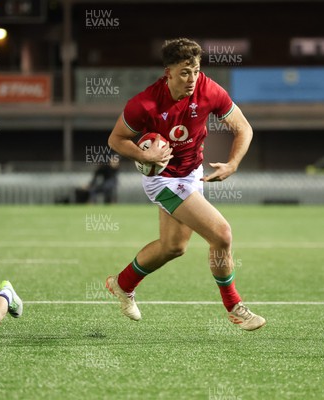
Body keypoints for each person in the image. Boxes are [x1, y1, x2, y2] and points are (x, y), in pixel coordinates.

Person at [105, 38, 265, 331]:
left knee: (173, 247)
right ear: (168, 72)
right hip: (163, 179)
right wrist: (144, 154)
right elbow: (115, 140)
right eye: (184, 72)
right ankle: (234, 307)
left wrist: (232, 163)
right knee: (222, 234)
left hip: (192, 174)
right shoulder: (145, 103)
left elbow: (243, 128)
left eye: (195, 70)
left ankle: (122, 283)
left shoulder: (208, 89)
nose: (192, 79)